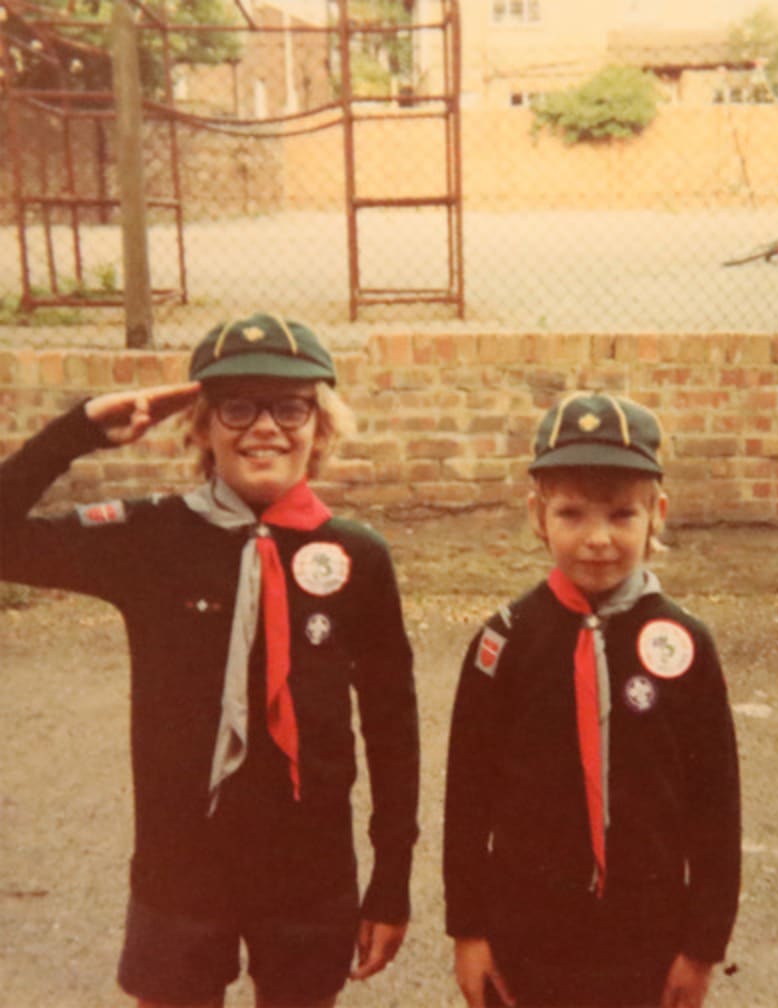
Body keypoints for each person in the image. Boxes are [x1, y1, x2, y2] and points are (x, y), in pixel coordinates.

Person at [0, 313, 420, 1008]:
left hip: (308, 867)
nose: (265, 427)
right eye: (237, 406)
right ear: (200, 426)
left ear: (322, 424)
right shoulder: (150, 538)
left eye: (291, 406)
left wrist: (392, 879)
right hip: (180, 865)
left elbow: (393, 727)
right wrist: (75, 432)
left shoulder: (356, 558)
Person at [444, 392, 740, 1008]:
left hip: (645, 932)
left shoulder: (684, 644)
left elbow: (715, 806)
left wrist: (703, 945)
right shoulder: (505, 640)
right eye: (573, 513)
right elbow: (467, 796)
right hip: (525, 929)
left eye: (622, 515)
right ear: (537, 514)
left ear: (657, 513)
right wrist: (469, 930)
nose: (598, 539)